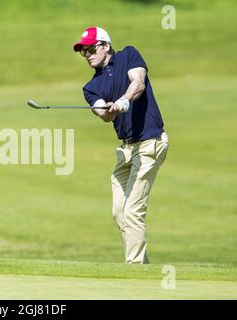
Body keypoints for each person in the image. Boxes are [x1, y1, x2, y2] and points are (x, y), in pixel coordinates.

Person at [73, 27, 169, 264]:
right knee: (119, 212)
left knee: (133, 211)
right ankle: (143, 265)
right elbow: (102, 113)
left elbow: (139, 82)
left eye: (91, 48)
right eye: (83, 51)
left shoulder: (128, 55)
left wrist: (124, 100)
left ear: (106, 45)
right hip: (125, 150)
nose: (87, 54)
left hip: (150, 142)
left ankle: (134, 268)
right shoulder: (91, 87)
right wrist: (105, 109)